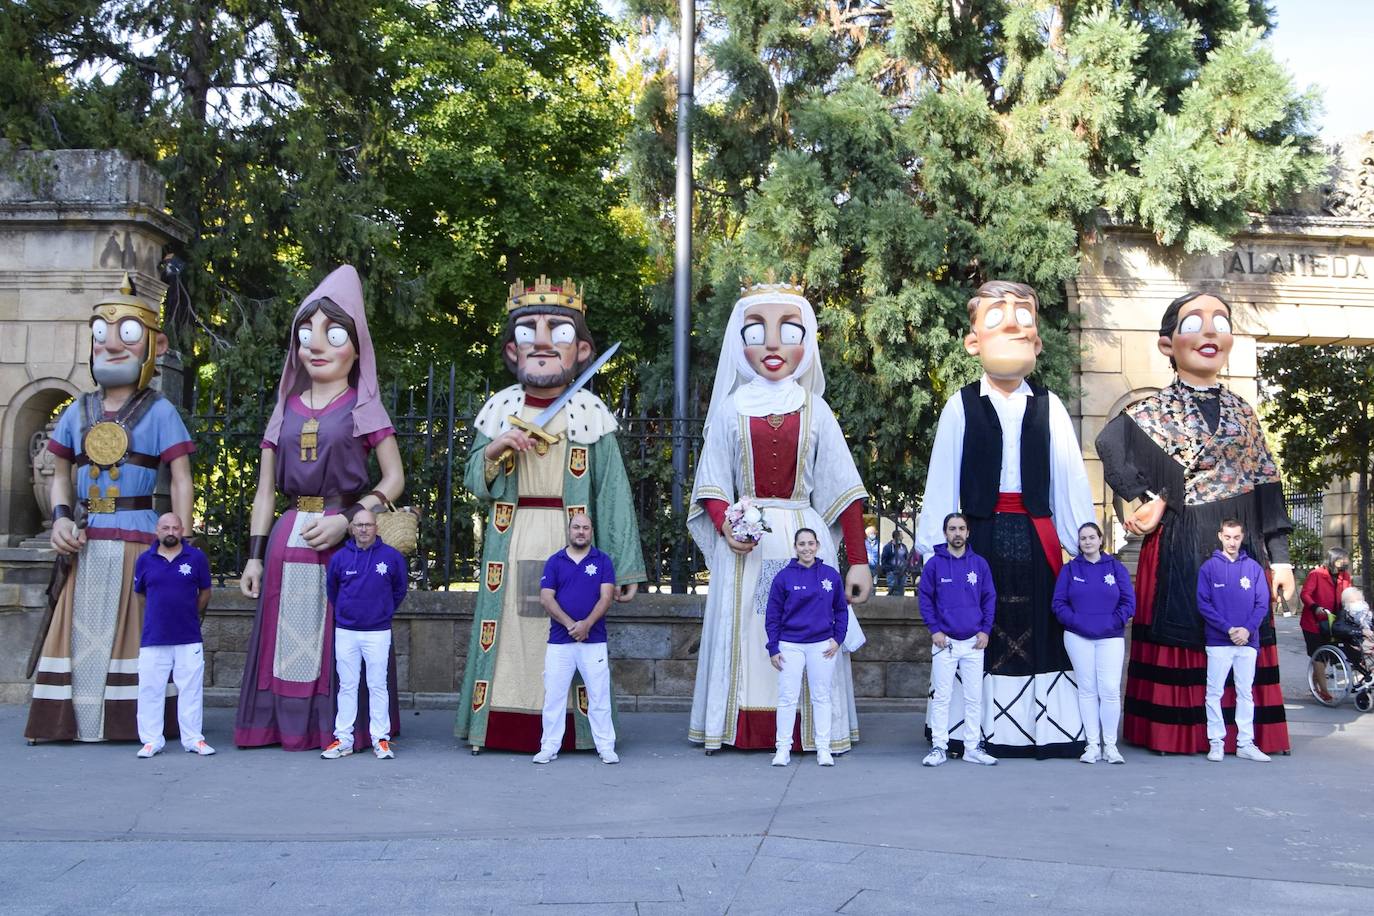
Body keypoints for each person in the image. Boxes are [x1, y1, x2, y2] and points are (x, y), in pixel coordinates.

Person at [1096, 290, 1293, 756]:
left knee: (1241, 627)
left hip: (1241, 545)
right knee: (1183, 622)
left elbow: (1267, 483)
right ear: (1168, 345)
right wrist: (1145, 497)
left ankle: (1242, 735)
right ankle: (1179, 733)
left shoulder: (1244, 413)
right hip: (1179, 543)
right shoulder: (1149, 412)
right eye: (1194, 324)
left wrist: (1281, 559)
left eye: (1221, 323)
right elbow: (1109, 447)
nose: (1210, 332)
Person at [456, 277, 645, 755]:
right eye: (528, 333)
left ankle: (569, 733)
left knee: (566, 632)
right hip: (515, 538)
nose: (541, 343)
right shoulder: (500, 410)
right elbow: (473, 482)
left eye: (557, 332)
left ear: (581, 350)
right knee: (519, 633)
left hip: (572, 545)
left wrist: (623, 565)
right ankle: (505, 727)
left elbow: (613, 494)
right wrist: (497, 447)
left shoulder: (590, 413)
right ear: (511, 350)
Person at [687, 279, 872, 754]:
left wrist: (857, 560)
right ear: (739, 342)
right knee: (746, 632)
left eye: (788, 332)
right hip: (745, 545)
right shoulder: (730, 410)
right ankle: (743, 724)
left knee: (809, 624)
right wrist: (727, 523)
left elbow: (843, 487)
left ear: (806, 341)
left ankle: (809, 729)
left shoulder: (816, 411)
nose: (772, 345)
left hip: (802, 532)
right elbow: (712, 481)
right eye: (757, 333)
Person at [915, 280, 1095, 759]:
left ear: (1037, 343)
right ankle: (967, 732)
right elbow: (942, 476)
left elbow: (1070, 477)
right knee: (976, 633)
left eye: (1025, 319)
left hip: (1038, 536)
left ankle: (1042, 729)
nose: (1014, 324)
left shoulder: (1049, 405)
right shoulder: (961, 405)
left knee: (1042, 630)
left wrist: (1080, 541)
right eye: (997, 317)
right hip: (979, 537)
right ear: (973, 342)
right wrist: (937, 543)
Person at [236, 265, 405, 751]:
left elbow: (394, 477)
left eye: (332, 332)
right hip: (287, 540)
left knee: (341, 633)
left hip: (343, 538)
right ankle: (281, 726)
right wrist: (253, 554)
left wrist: (350, 519)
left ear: (355, 346)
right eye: (306, 330)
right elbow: (266, 489)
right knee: (285, 634)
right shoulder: (284, 407)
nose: (316, 342)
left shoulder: (363, 405)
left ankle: (339, 728)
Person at [27, 274, 195, 744]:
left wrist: (183, 533)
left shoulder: (160, 412)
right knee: (79, 627)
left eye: (126, 334)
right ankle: (73, 719)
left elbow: (181, 476)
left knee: (136, 625)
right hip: (88, 534)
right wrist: (61, 515)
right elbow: (59, 469)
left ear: (153, 346)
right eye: (102, 333)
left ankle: (128, 720)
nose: (112, 345)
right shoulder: (77, 409)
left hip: (140, 535)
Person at [321, 509, 408, 760]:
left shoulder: (391, 557)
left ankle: (380, 739)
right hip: (346, 631)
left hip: (378, 632)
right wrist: (347, 614)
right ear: (351, 528)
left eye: (368, 525)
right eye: (358, 525)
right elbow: (333, 591)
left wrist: (383, 611)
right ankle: (344, 740)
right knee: (347, 686)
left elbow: (399, 590)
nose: (363, 529)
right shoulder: (339, 558)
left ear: (376, 527)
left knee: (377, 685)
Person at [533, 513, 619, 764]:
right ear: (569, 530)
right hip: (560, 641)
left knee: (599, 696)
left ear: (592, 531)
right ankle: (549, 746)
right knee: (554, 697)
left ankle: (605, 746)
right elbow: (546, 598)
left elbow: (606, 597)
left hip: (594, 641)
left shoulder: (603, 561)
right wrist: (572, 625)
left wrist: (587, 625)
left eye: (585, 528)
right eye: (576, 527)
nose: (581, 532)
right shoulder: (554, 561)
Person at [1051, 522, 1135, 765]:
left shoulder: (1116, 568)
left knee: (1109, 689)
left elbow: (1128, 602)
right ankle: (1092, 745)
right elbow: (1058, 603)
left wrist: (1111, 623)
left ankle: (1110, 745)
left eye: (1091, 537)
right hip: (1078, 637)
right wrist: (1077, 622)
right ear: (1079, 543)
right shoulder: (1070, 570)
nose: (1087, 542)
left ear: (1100, 540)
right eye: (1083, 538)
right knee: (1087, 690)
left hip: (1110, 637)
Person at [766, 528, 849, 767]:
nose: (806, 548)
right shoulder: (783, 577)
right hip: (790, 645)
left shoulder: (830, 575)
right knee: (787, 698)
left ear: (817, 545)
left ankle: (824, 748)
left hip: (822, 645)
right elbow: (773, 615)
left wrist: (838, 638)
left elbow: (841, 610)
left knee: (821, 697)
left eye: (810, 543)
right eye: (802, 544)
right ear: (795, 547)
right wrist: (773, 647)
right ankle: (782, 749)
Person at [919, 513, 997, 767]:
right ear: (945, 533)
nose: (957, 533)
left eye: (961, 529)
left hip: (974, 641)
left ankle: (972, 747)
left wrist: (985, 630)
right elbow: (925, 600)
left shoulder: (980, 564)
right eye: (952, 529)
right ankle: (939, 747)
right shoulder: (934, 565)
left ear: (968, 532)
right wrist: (935, 630)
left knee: (974, 697)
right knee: (942, 697)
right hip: (945, 642)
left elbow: (989, 598)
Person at [132, 513, 213, 758]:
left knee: (191, 690)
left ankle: (193, 739)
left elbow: (206, 592)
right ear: (157, 530)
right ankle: (151, 741)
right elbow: (141, 595)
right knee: (150, 690)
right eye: (165, 527)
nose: (170, 531)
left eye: (175, 528)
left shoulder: (196, 558)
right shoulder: (144, 560)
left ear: (182, 530)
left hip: (188, 636)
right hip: (154, 637)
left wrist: (189, 613)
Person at [1197, 520, 1273, 762]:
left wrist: (1247, 630)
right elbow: (1203, 604)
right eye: (1228, 537)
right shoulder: (1208, 568)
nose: (1232, 542)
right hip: (1219, 642)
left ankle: (1245, 743)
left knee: (1245, 693)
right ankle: (1216, 742)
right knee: (1214, 693)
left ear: (1242, 538)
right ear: (1220, 536)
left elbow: (1263, 603)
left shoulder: (1253, 568)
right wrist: (1229, 629)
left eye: (1236, 537)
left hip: (1247, 642)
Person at [1300, 548, 1351, 702]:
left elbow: (1347, 595)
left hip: (1333, 622)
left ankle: (1314, 686)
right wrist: (1315, 607)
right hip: (1313, 621)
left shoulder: (1345, 576)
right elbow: (1305, 594)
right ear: (1333, 560)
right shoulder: (1316, 574)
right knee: (1318, 656)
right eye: (1342, 559)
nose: (1345, 562)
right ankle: (1323, 691)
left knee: (1326, 656)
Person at [881, 532, 911, 597]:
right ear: (897, 537)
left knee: (901, 592)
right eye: (901, 536)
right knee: (892, 592)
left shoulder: (903, 546)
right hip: (892, 573)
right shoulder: (888, 547)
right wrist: (889, 570)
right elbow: (884, 560)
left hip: (902, 573)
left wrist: (906, 569)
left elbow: (907, 558)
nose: (903, 537)